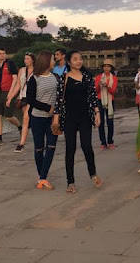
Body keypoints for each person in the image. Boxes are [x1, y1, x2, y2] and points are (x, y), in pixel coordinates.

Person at [52, 50, 103, 193]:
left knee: (87, 146)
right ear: (68, 62)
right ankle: (70, 182)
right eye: (75, 59)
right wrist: (56, 119)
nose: (79, 61)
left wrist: (97, 112)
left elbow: (93, 98)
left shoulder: (87, 78)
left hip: (85, 117)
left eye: (80, 59)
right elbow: (59, 101)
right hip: (69, 118)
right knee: (70, 148)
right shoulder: (64, 78)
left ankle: (93, 174)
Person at [26, 51, 61, 190]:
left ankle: (43, 177)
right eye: (53, 59)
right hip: (37, 118)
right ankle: (41, 176)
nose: (54, 61)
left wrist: (56, 112)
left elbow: (60, 97)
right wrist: (48, 107)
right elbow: (30, 100)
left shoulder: (56, 77)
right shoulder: (34, 79)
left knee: (51, 147)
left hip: (53, 119)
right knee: (39, 148)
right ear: (46, 61)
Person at [6, 52, 35, 153]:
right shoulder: (22, 70)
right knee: (28, 119)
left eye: (27, 59)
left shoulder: (37, 71)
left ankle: (21, 144)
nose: (26, 61)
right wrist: (10, 98)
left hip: (33, 98)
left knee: (26, 118)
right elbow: (18, 85)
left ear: (33, 60)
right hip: (23, 97)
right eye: (25, 59)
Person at [0, 48, 21, 146]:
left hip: (8, 91)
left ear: (6, 54)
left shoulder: (10, 64)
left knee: (8, 117)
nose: (1, 55)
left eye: (3, 53)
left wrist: (11, 92)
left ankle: (19, 126)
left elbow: (15, 78)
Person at [95, 59, 118, 149]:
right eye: (105, 66)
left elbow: (113, 91)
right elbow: (96, 91)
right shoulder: (98, 77)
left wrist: (107, 86)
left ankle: (110, 141)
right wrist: (99, 85)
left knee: (110, 122)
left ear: (111, 68)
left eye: (108, 66)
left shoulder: (114, 78)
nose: (106, 68)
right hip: (100, 100)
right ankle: (103, 142)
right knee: (101, 122)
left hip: (110, 100)